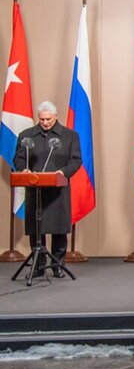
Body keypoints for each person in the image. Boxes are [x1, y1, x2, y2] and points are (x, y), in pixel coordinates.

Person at [13, 102, 82, 279]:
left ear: (56, 116)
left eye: (48, 119)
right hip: (35, 190)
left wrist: (63, 172)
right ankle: (38, 266)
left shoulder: (70, 136)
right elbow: (18, 159)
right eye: (42, 119)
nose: (44, 123)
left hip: (58, 190)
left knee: (59, 228)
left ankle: (57, 265)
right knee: (37, 229)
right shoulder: (27, 135)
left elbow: (76, 160)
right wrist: (24, 170)